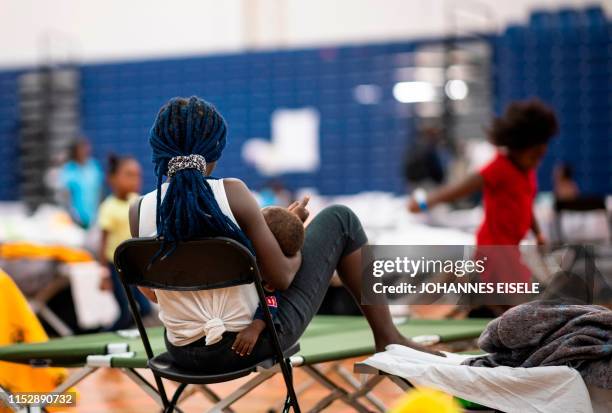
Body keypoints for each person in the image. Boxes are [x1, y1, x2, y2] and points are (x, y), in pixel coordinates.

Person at [134, 96, 439, 373]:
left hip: (180, 353)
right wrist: (292, 236)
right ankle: (387, 336)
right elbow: (280, 278)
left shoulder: (140, 209)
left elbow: (152, 293)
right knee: (340, 219)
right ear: (216, 148)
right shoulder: (233, 194)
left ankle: (388, 337)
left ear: (158, 149)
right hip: (248, 345)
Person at [409, 99, 559, 284]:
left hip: (512, 249)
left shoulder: (527, 172)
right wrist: (424, 203)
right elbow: (457, 190)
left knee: (507, 297)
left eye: (540, 157)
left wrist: (538, 234)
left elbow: (526, 206)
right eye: (534, 155)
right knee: (510, 298)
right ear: (518, 146)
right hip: (494, 248)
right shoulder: (499, 168)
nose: (537, 162)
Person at [232, 206, 305, 356]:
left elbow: (271, 301)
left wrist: (256, 327)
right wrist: (293, 220)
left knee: (345, 217)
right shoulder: (247, 254)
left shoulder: (268, 276)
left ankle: (369, 337)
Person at [97, 154, 151, 330]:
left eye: (137, 175)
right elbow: (103, 242)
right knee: (125, 311)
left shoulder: (137, 201)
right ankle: (106, 335)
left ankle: (124, 332)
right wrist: (104, 274)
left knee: (144, 307)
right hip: (117, 267)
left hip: (135, 266)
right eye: (129, 175)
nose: (135, 180)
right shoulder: (108, 207)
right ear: (113, 179)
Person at [59, 138, 104, 229]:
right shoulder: (68, 170)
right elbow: (65, 197)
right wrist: (72, 216)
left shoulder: (94, 166)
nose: (84, 151)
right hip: (75, 219)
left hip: (94, 218)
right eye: (81, 148)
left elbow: (99, 191)